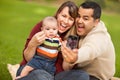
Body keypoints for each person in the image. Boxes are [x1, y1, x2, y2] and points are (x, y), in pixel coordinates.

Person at [16, 1, 88, 80]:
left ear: (74, 22)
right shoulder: (45, 26)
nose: (66, 22)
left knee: (82, 76)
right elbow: (27, 58)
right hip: (32, 69)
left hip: (55, 74)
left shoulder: (72, 38)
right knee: (41, 76)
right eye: (64, 16)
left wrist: (67, 57)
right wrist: (33, 44)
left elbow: (66, 69)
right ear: (58, 14)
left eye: (71, 19)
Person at [58, 1, 115, 80]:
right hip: (74, 74)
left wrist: (76, 56)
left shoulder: (100, 36)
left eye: (85, 18)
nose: (79, 21)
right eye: (78, 16)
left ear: (96, 22)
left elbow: (90, 49)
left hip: (94, 77)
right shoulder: (76, 30)